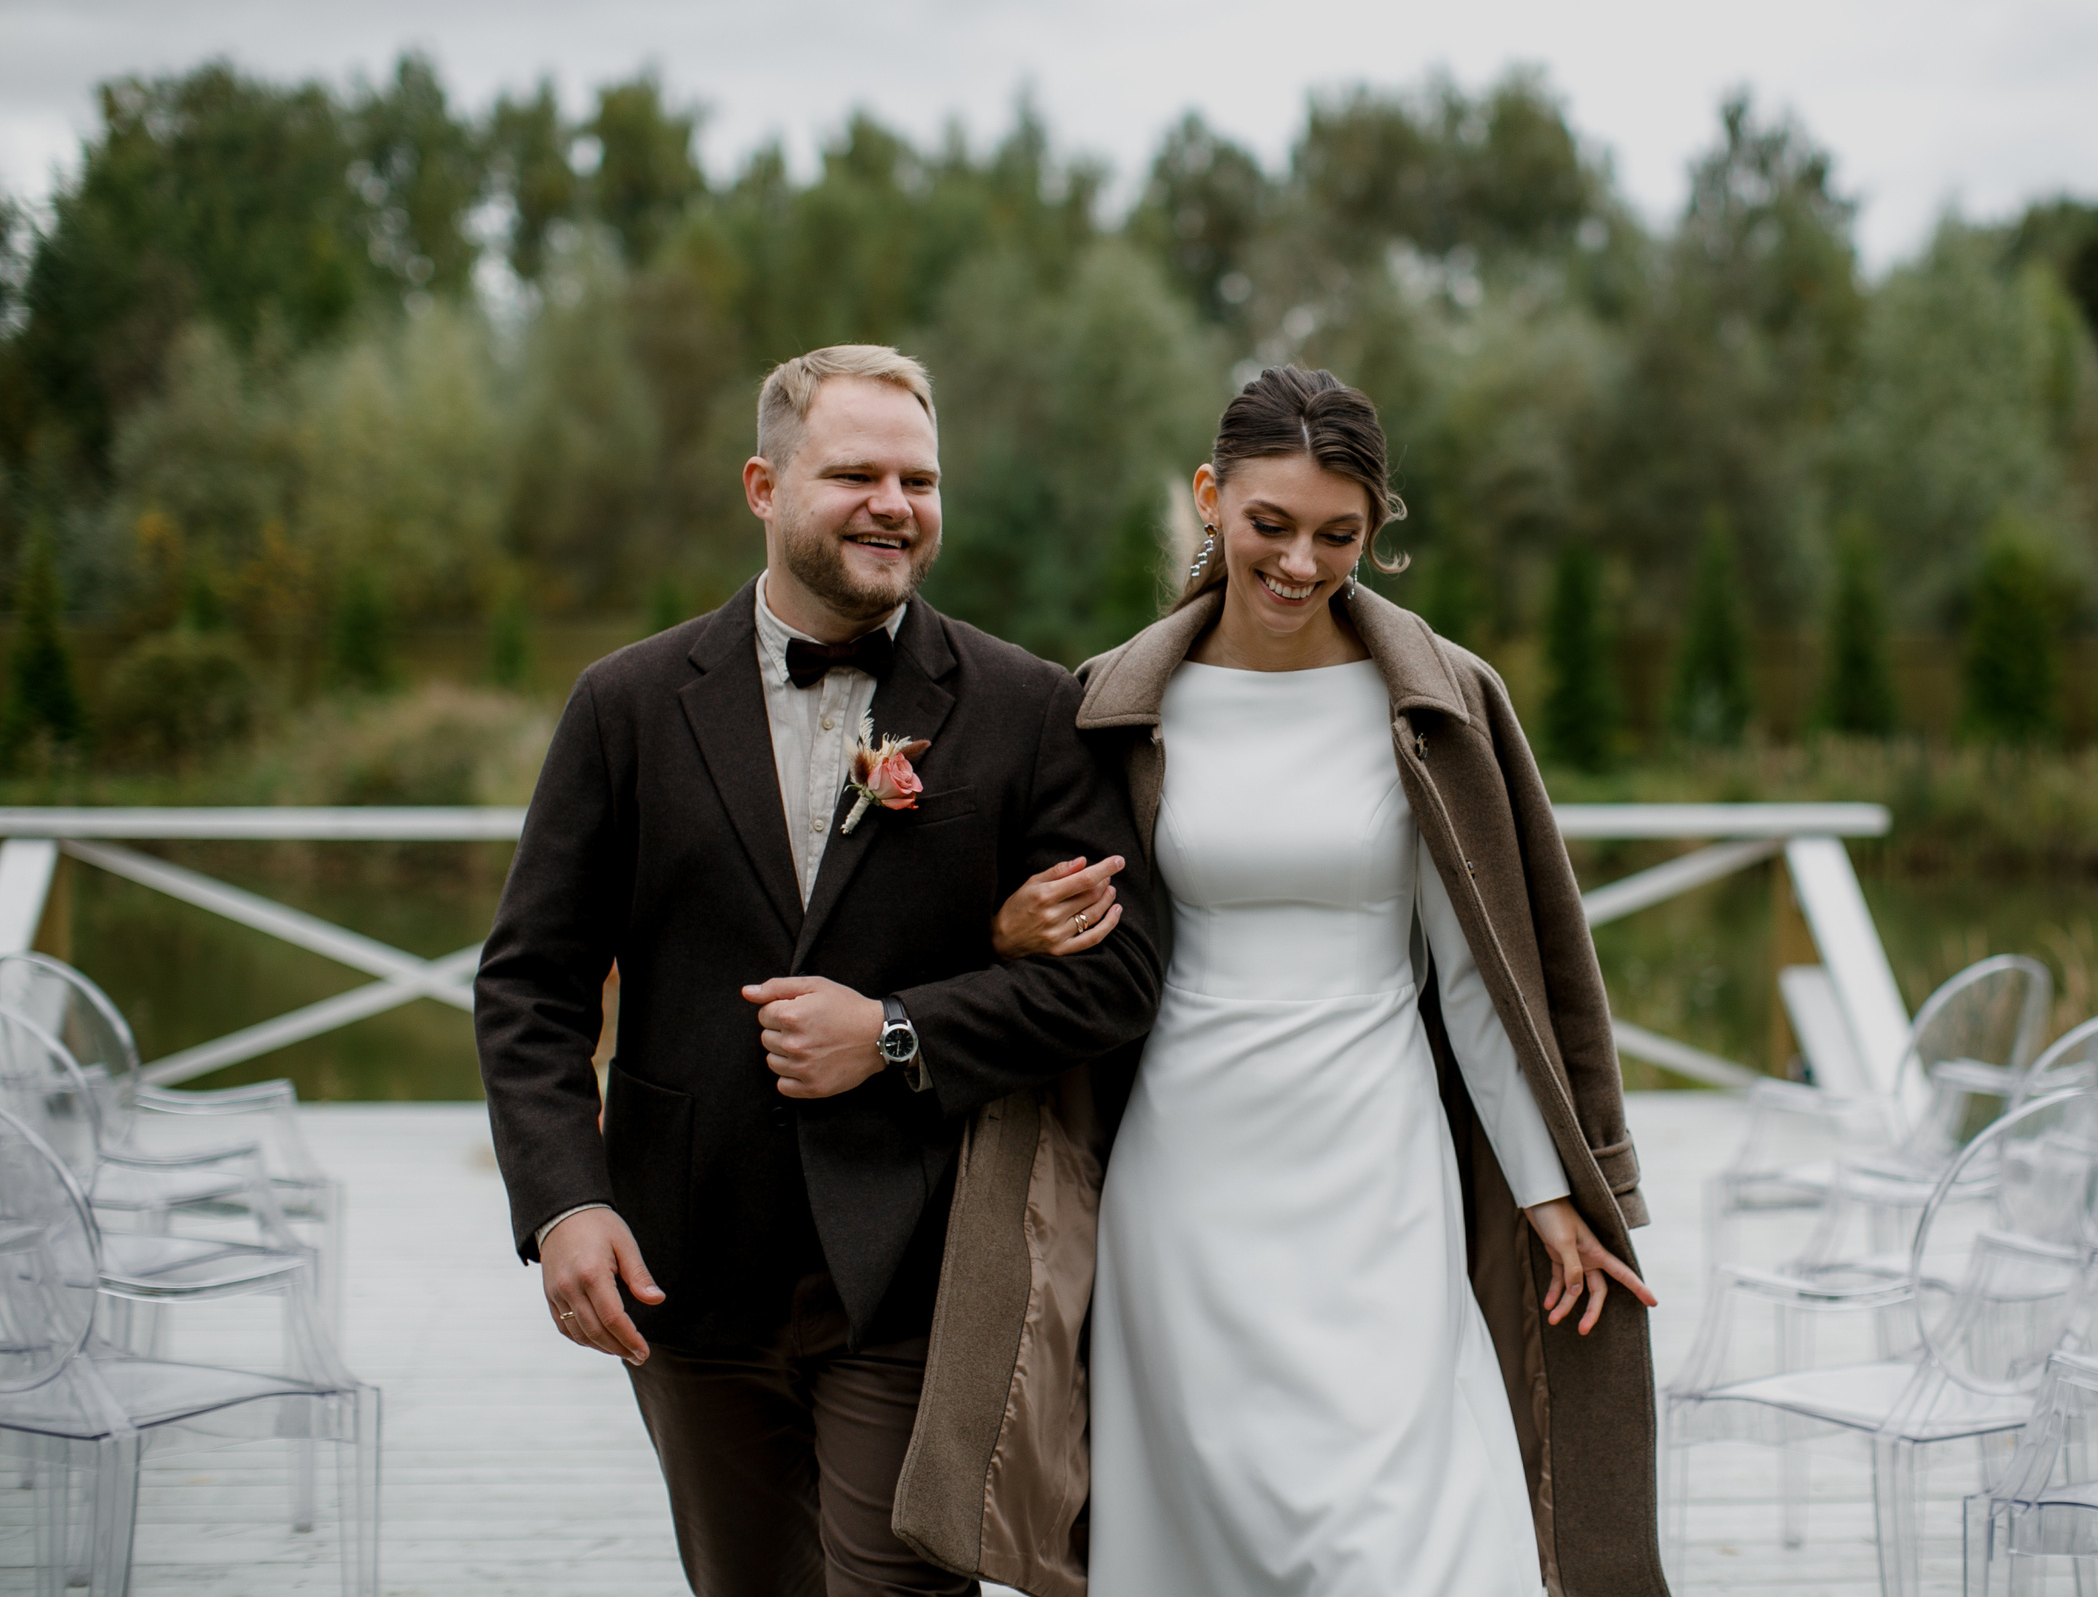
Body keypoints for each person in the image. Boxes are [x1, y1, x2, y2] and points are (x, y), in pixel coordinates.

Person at [474, 344, 1163, 1597]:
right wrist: (565, 1201)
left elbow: (1116, 979)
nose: (893, 505)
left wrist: (897, 1031)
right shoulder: (625, 705)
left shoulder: (1024, 707)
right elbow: (531, 984)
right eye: (855, 475)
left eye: (919, 480)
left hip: (922, 1260)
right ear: (764, 486)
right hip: (683, 1266)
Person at [1056, 364, 1671, 1595]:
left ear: (1374, 529)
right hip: (1186, 1178)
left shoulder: (1430, 701)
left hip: (1378, 1173)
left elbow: (1483, 979)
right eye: (1269, 524)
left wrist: (1552, 1191)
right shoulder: (1118, 702)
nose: (1299, 563)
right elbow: (1073, 940)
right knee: (1206, 1532)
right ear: (1209, 499)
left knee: (1397, 1534)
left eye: (1337, 536)